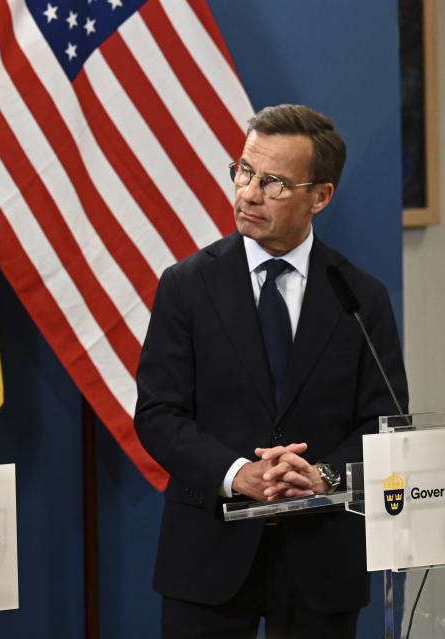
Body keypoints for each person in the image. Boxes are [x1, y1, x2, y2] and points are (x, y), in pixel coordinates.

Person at [134, 104, 407, 639]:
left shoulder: (359, 296)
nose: (249, 193)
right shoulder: (186, 286)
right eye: (244, 172)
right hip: (209, 553)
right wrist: (239, 473)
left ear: (319, 197)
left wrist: (322, 475)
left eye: (275, 183)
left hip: (321, 559)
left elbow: (385, 423)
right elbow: (159, 414)